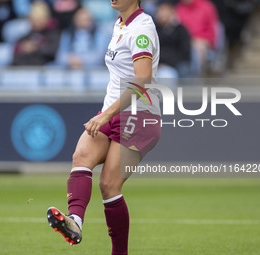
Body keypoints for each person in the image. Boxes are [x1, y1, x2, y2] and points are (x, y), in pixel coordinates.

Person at [47, 0, 161, 254]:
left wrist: (105, 114)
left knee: (109, 184)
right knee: (81, 156)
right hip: (111, 111)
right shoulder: (119, 24)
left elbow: (143, 79)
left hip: (139, 116)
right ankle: (74, 222)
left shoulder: (141, 29)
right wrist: (107, 113)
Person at [176, 0, 219, 75]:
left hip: (203, 42)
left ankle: (196, 78)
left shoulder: (206, 6)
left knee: (197, 49)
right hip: (184, 41)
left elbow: (213, 29)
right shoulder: (178, 8)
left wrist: (210, 43)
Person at [12, 1, 60, 66]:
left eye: (38, 20)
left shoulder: (53, 33)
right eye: (33, 20)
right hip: (24, 69)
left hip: (43, 68)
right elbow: (15, 49)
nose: (35, 23)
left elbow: (53, 51)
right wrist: (23, 48)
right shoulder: (28, 34)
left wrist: (36, 48)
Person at [155, 0, 191, 78]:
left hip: (175, 65)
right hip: (156, 65)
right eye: (159, 10)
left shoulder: (181, 30)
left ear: (172, 11)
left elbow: (185, 53)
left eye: (164, 10)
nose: (161, 13)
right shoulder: (153, 29)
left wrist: (167, 63)